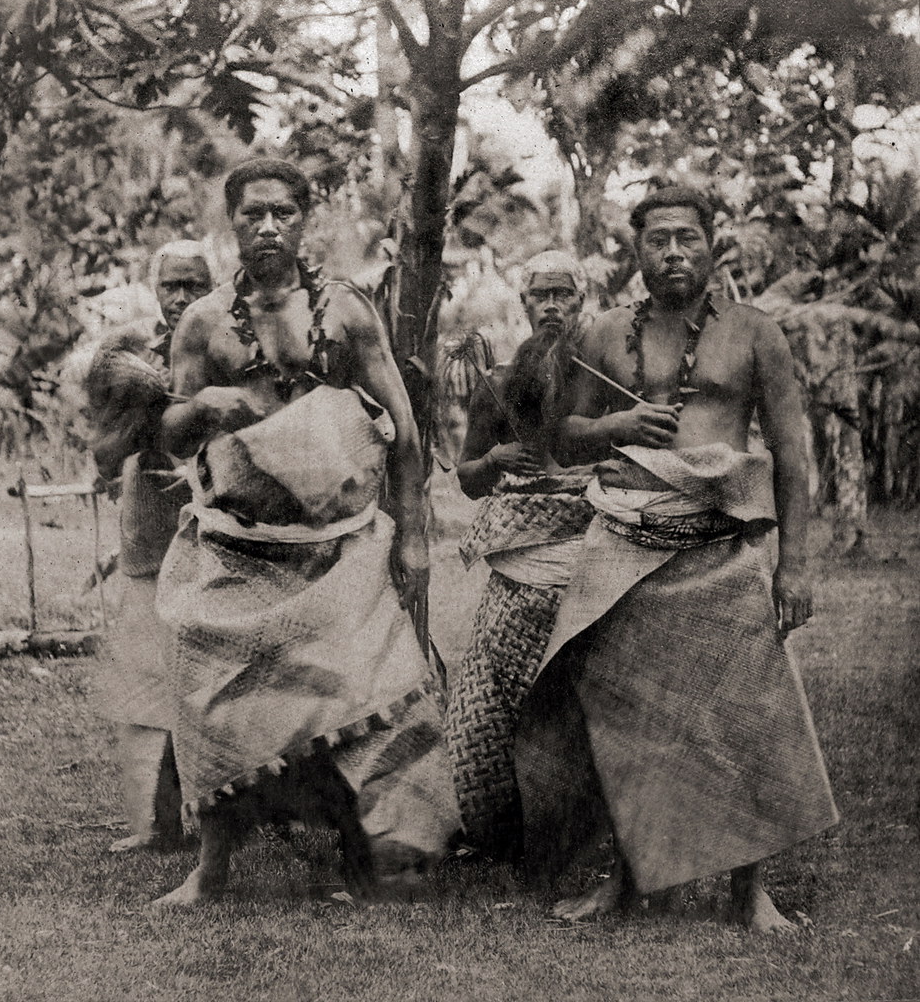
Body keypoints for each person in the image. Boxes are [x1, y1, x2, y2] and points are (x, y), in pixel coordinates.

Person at [513, 187, 837, 931]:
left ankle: (747, 891)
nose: (674, 254)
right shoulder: (600, 336)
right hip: (623, 542)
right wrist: (618, 422)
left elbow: (792, 451)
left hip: (717, 542)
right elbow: (558, 437)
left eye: (688, 238)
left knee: (743, 715)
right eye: (657, 240)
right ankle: (627, 884)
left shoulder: (755, 333)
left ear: (713, 245)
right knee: (625, 719)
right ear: (636, 253)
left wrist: (796, 564)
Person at [151, 157, 458, 906]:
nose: (266, 228)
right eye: (252, 215)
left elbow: (406, 432)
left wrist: (414, 538)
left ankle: (368, 857)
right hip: (237, 548)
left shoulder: (347, 311)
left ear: (303, 221)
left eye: (282, 214)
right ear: (232, 224)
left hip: (338, 549)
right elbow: (169, 430)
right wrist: (208, 405)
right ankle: (212, 867)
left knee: (358, 698)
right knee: (216, 699)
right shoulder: (203, 323)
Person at [445, 250, 596, 861]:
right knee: (494, 697)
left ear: (582, 304)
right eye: (542, 296)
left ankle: (583, 828)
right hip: (520, 566)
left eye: (565, 295)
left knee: (579, 695)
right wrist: (493, 462)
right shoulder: (500, 385)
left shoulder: (599, 378)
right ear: (525, 304)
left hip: (590, 556)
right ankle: (497, 827)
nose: (553, 306)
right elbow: (467, 478)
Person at [87, 240, 214, 852]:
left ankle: (228, 815)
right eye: (172, 286)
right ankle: (161, 824)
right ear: (155, 289)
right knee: (148, 681)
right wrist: (140, 413)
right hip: (150, 535)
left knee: (213, 680)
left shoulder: (226, 346)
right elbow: (105, 451)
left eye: (194, 284)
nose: (183, 298)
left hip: (218, 533)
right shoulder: (131, 355)